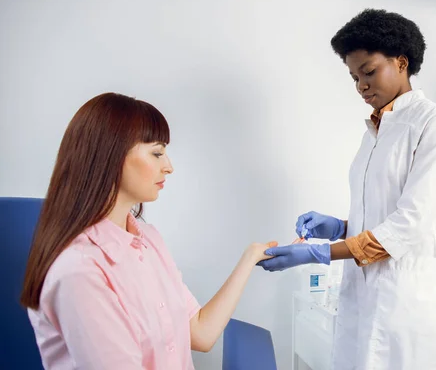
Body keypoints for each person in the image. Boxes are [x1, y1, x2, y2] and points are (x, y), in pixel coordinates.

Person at [258, 9, 436, 369]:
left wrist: (320, 253)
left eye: (368, 72)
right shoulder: (374, 132)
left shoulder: (434, 124)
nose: (361, 86)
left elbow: (409, 225)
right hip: (362, 289)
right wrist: (340, 226)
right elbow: (378, 212)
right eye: (354, 77)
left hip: (408, 294)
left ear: (401, 63)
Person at [21, 93, 275, 369]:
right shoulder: (80, 272)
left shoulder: (146, 239)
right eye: (157, 153)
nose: (169, 166)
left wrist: (250, 258)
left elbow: (201, 333)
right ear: (110, 156)